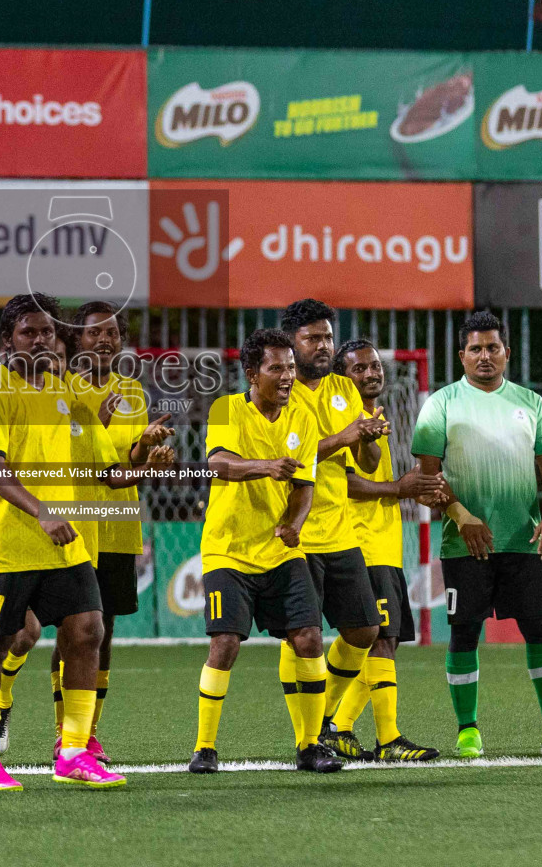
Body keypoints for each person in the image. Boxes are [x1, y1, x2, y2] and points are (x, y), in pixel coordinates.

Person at [0, 293, 152, 791]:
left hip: (64, 542)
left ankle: (72, 751)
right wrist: (43, 510)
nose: (41, 339)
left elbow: (104, 471)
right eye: (29, 332)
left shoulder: (68, 392)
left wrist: (141, 465)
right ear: (8, 340)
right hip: (8, 541)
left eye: (47, 331)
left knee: (88, 629)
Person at [0, 302, 173, 763]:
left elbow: (116, 465)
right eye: (94, 334)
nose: (105, 341)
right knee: (30, 633)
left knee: (98, 632)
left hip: (114, 526)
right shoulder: (59, 388)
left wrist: (145, 451)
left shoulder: (132, 391)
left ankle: (82, 736)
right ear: (75, 341)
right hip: (67, 524)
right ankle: (21, 701)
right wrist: (100, 423)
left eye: (112, 333)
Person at [412, 310, 542, 759]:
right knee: (464, 632)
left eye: (492, 347)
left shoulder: (531, 402)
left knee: (539, 628)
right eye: (475, 349)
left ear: (506, 352)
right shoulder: (441, 404)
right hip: (462, 541)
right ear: (462, 356)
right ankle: (468, 730)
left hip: (522, 540)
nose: (484, 356)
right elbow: (426, 475)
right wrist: (462, 516)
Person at [190, 328, 339, 775]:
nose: (288, 375)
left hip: (279, 550)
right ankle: (205, 748)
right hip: (228, 551)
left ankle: (310, 745)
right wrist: (266, 467)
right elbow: (217, 464)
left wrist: (293, 525)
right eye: (277, 367)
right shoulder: (227, 409)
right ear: (253, 374)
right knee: (225, 643)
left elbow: (304, 486)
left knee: (309, 639)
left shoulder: (304, 419)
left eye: (291, 366)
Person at [276, 300, 389, 761]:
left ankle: (322, 718)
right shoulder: (279, 389)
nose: (322, 346)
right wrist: (345, 437)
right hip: (293, 530)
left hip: (341, 530)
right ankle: (307, 738)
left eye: (326, 337)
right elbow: (290, 457)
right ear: (291, 344)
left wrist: (368, 441)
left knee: (363, 629)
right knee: (302, 634)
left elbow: (365, 462)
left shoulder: (344, 387)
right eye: (312, 339)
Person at [327, 339, 442, 761]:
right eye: (359, 368)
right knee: (378, 639)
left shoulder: (372, 416)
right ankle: (386, 739)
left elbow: (373, 474)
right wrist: (400, 488)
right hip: (361, 542)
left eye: (375, 366)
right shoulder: (340, 419)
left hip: (385, 542)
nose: (372, 373)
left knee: (383, 639)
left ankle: (336, 727)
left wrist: (413, 488)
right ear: (342, 377)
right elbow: (346, 482)